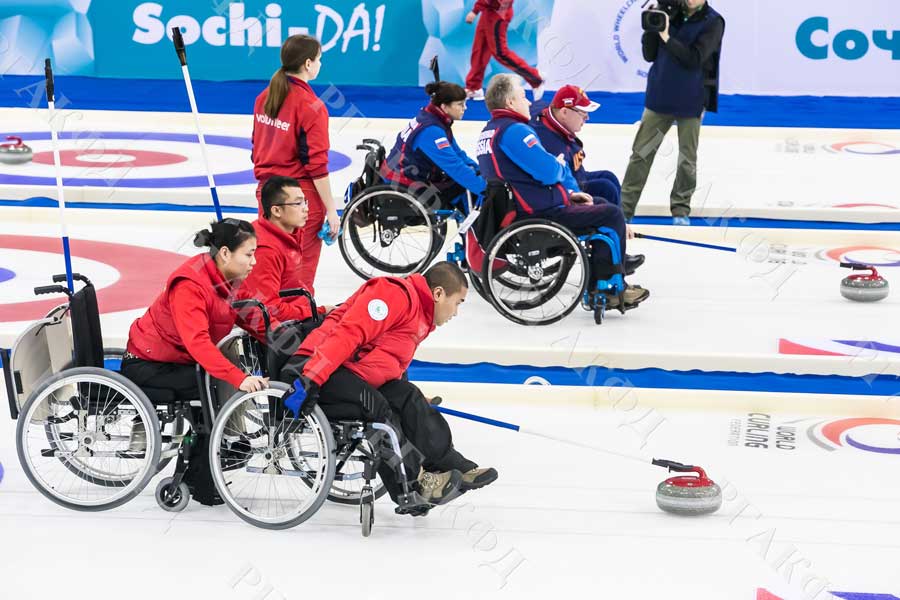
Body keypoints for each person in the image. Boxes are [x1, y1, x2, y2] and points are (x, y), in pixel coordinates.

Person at [277, 262, 497, 511]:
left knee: (408, 396)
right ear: (438, 293)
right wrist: (310, 379)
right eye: (457, 303)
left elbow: (389, 362)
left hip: (348, 372)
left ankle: (448, 463)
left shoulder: (420, 315)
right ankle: (413, 486)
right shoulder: (393, 294)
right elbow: (348, 334)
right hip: (315, 367)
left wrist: (411, 399)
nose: (456, 312)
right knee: (377, 407)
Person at [121, 219, 268, 505]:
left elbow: (255, 318)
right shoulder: (190, 284)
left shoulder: (228, 278)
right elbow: (198, 342)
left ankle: (206, 463)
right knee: (214, 388)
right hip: (148, 363)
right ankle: (199, 477)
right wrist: (238, 378)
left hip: (178, 359)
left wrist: (292, 335)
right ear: (225, 253)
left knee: (214, 383)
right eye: (249, 254)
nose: (254, 261)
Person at [476, 74, 649, 310]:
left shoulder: (489, 131)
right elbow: (549, 171)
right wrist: (559, 168)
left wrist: (567, 195)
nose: (529, 102)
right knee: (611, 215)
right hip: (538, 213)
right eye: (523, 97)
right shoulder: (515, 131)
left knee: (599, 200)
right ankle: (607, 288)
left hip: (522, 208)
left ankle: (602, 277)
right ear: (510, 102)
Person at [619, 0, 725, 225]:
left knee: (687, 159)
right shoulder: (667, 11)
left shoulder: (713, 22)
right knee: (641, 153)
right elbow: (649, 55)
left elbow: (695, 59)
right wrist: (651, 29)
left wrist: (667, 37)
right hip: (659, 95)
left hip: (691, 98)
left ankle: (680, 209)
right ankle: (624, 210)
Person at [252, 34, 339, 295]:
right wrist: (332, 210)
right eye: (319, 59)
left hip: (267, 193)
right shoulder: (312, 106)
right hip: (298, 197)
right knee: (298, 281)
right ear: (308, 63)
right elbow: (317, 166)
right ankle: (296, 320)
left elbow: (256, 146)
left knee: (268, 271)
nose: (321, 64)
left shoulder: (264, 97)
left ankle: (269, 318)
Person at [237, 176, 333, 344]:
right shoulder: (265, 250)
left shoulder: (290, 233)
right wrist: (317, 312)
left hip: (296, 311)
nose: (306, 209)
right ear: (276, 211)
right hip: (280, 329)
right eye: (298, 203)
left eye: (305, 202)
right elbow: (269, 310)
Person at [381, 81, 486, 209]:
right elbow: (455, 167)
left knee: (465, 179)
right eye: (460, 104)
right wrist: (486, 189)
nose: (465, 108)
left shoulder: (431, 118)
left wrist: (482, 172)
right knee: (461, 185)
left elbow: (458, 154)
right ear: (444, 106)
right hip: (404, 183)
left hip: (404, 173)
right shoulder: (431, 131)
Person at [531, 85, 622, 207]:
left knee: (609, 176)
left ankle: (620, 217)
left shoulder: (550, 111)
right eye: (583, 113)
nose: (587, 118)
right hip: (565, 187)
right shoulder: (553, 147)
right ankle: (615, 218)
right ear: (564, 112)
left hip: (576, 173)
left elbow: (535, 106)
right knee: (606, 188)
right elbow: (558, 182)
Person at [464, 0, 544, 102]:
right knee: (480, 50)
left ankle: (535, 78)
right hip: (489, 11)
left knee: (501, 53)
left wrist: (475, 10)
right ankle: (473, 87)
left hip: (498, 11)